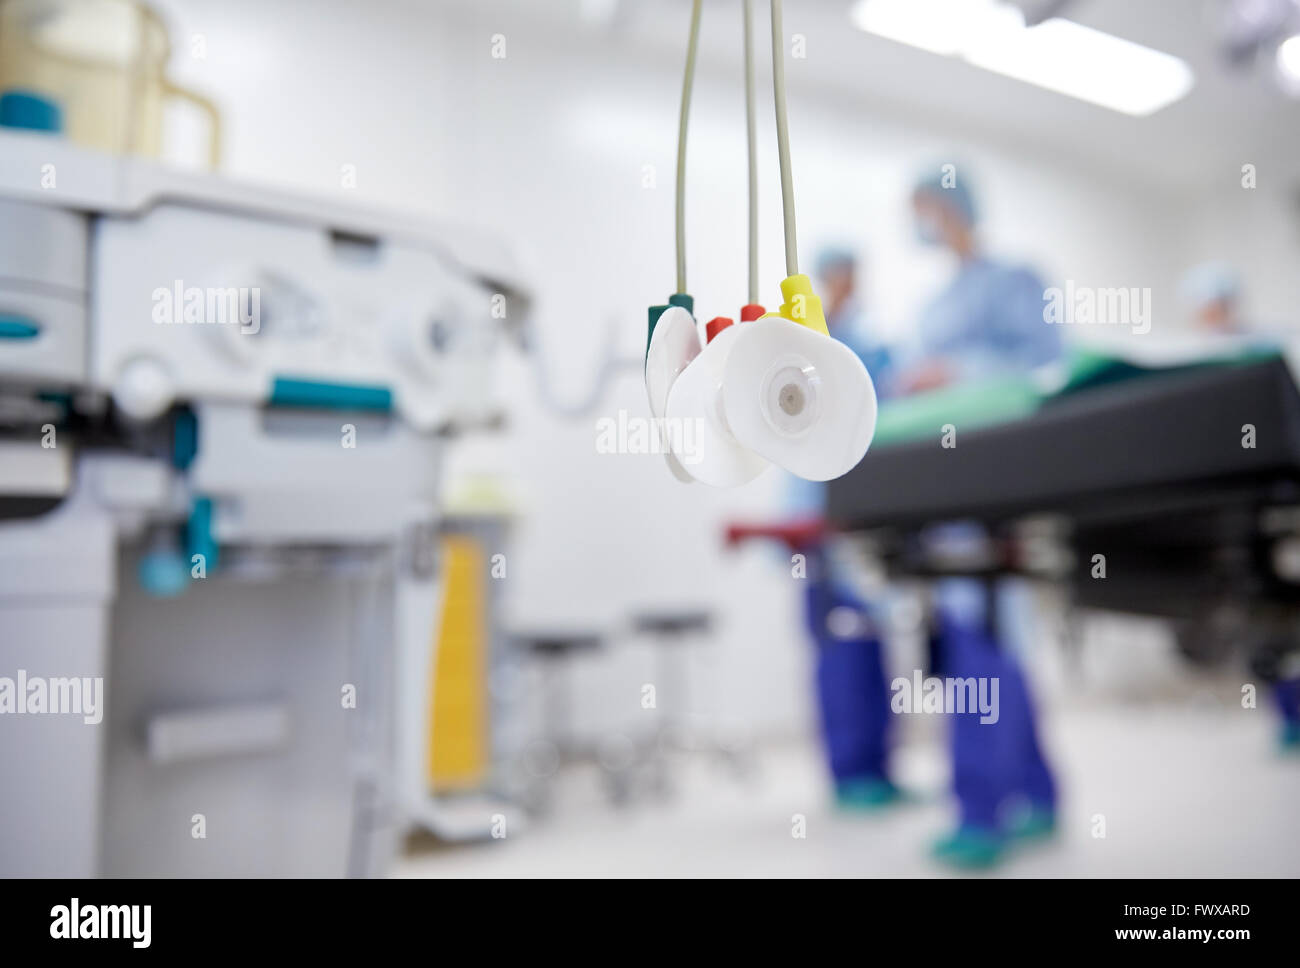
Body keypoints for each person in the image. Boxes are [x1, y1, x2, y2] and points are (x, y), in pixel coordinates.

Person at [902, 168, 1062, 867]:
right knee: (991, 644)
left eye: (927, 209)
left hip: (1000, 490)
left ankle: (981, 813)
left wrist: (959, 370)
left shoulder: (1016, 280)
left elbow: (1047, 364)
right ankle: (1039, 792)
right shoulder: (933, 303)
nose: (922, 222)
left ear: (954, 207)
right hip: (947, 491)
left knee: (983, 647)